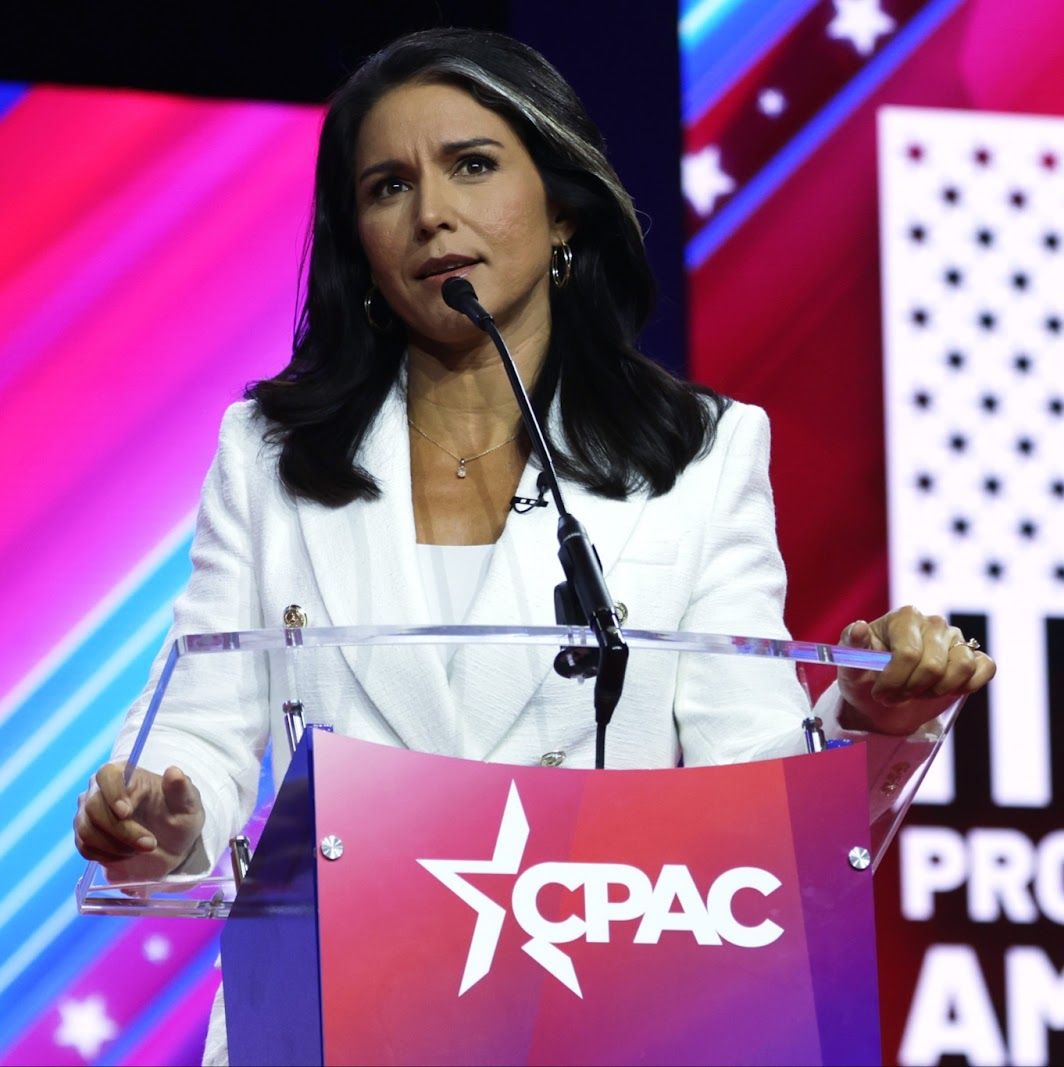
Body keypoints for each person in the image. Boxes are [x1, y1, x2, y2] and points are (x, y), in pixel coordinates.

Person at [71, 25, 994, 1063]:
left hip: (605, 1019)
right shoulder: (270, 454)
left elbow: (750, 801)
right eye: (386, 187)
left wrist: (869, 716)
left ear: (559, 205)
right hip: (329, 1022)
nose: (432, 214)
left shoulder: (699, 453)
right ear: (361, 246)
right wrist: (163, 807)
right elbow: (202, 723)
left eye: (471, 165)